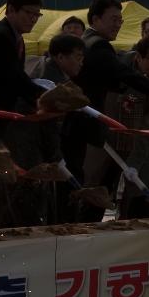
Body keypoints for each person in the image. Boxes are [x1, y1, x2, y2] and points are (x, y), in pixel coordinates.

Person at [75, 0, 149, 222]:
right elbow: (122, 76)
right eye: (113, 19)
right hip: (99, 135)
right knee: (93, 193)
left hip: (127, 140)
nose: (118, 24)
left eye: (120, 20)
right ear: (95, 19)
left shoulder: (89, 42)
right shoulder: (99, 46)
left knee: (108, 194)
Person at [0, 0, 58, 228]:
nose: (33, 19)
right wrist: (43, 98)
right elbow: (14, 78)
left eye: (37, 15)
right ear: (11, 10)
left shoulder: (15, 37)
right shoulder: (0, 36)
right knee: (9, 186)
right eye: (29, 13)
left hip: (9, 119)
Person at [106, 36, 149, 219]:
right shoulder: (118, 68)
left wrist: (133, 164)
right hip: (108, 136)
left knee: (139, 190)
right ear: (138, 57)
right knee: (100, 187)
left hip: (140, 142)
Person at [42, 33, 88, 223]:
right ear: (60, 57)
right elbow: (48, 123)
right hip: (49, 149)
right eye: (78, 57)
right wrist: (57, 156)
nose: (81, 63)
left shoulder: (64, 80)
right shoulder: (50, 83)